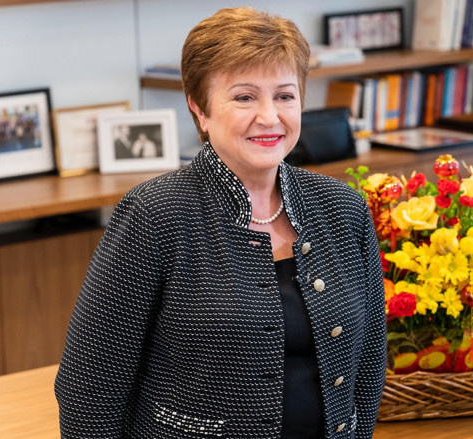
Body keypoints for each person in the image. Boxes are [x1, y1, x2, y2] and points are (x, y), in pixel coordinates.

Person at [55, 6, 386, 438]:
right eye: (244, 97)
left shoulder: (343, 208)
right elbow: (89, 388)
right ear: (200, 109)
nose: (269, 117)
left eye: (285, 95)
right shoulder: (153, 216)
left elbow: (369, 365)